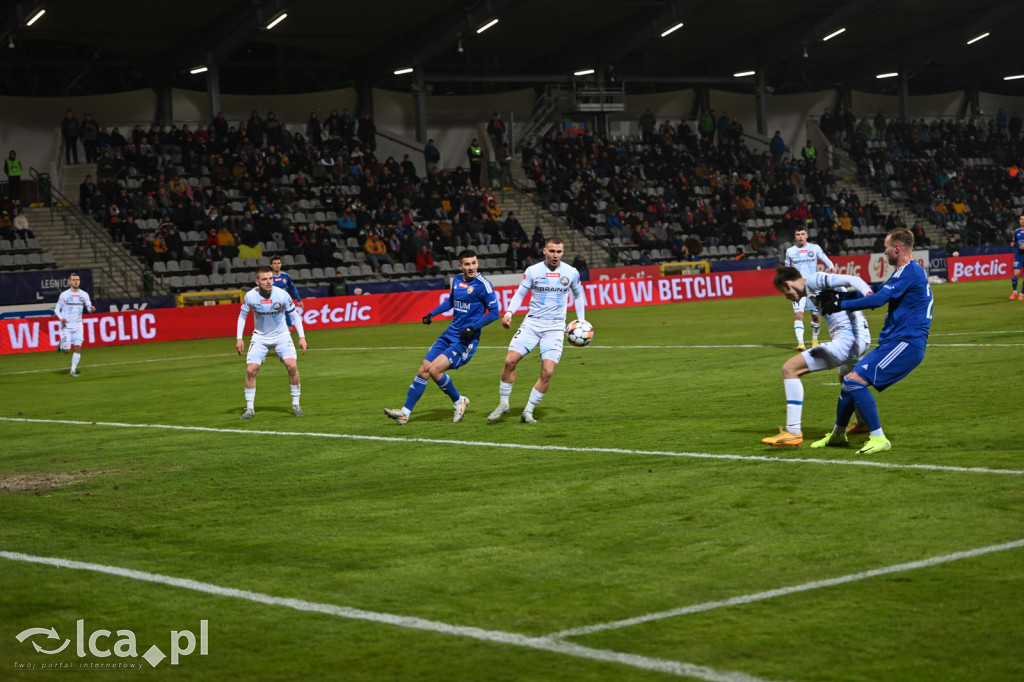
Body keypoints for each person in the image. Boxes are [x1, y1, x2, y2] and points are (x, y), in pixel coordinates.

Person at [813, 227, 933, 454]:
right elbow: (875, 291)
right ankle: (837, 435)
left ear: (897, 248)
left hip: (906, 343)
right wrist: (842, 295)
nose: (884, 252)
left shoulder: (910, 272)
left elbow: (877, 300)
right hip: (895, 342)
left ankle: (878, 438)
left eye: (886, 247)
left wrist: (840, 305)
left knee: (855, 382)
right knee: (849, 381)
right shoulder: (904, 273)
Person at [384, 250, 500, 425]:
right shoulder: (457, 280)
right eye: (467, 264)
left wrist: (472, 327)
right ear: (460, 266)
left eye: (474, 263)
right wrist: (432, 313)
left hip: (465, 339)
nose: (471, 267)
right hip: (449, 334)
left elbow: (494, 313)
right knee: (424, 368)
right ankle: (404, 413)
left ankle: (458, 400)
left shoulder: (484, 285)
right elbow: (451, 302)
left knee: (435, 370)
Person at [762, 265, 873, 447]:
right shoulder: (812, 291)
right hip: (860, 340)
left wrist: (869, 295)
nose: (786, 296)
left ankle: (793, 431)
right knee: (846, 376)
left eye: (783, 291)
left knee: (790, 369)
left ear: (788, 284)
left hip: (848, 342)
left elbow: (852, 280)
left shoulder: (814, 280)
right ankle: (863, 423)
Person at [488, 237, 586, 423]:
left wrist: (581, 322)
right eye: (552, 251)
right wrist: (509, 312)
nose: (555, 255)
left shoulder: (571, 272)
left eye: (559, 252)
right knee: (510, 361)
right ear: (544, 251)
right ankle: (503, 403)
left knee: (547, 372)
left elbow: (578, 295)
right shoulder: (533, 271)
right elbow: (520, 293)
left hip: (555, 328)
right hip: (532, 324)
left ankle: (528, 411)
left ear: (562, 253)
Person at [236, 266, 307, 419]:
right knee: (250, 370)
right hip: (260, 338)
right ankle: (249, 409)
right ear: (257, 281)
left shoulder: (282, 295)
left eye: (270, 279)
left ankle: (296, 404)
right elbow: (242, 316)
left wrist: (302, 337)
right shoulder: (250, 296)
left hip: (282, 336)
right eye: (264, 279)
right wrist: (239, 338)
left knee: (292, 365)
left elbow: (294, 316)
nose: (269, 282)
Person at [784, 227, 836, 350]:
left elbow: (824, 258)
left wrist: (831, 267)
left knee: (815, 316)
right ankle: (801, 343)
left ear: (807, 235)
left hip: (813, 286)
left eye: (802, 234)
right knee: (798, 315)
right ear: (795, 237)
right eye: (798, 234)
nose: (800, 236)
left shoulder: (815, 248)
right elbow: (787, 270)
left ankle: (814, 340)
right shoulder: (790, 251)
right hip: (798, 288)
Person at [54, 273, 95, 377]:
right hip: (66, 326)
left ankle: (72, 371)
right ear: (69, 282)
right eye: (74, 280)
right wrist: (61, 318)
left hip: (78, 325)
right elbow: (57, 309)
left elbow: (89, 308)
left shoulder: (84, 294)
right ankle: (62, 344)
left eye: (77, 279)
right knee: (66, 351)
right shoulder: (64, 295)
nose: (76, 281)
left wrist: (91, 309)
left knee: (78, 347)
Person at [270, 255, 303, 325]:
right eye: (275, 263)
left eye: (278, 263)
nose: (277, 265)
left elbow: (292, 287)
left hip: (284, 303)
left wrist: (299, 300)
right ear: (271, 265)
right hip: (272, 305)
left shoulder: (285, 276)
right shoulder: (268, 277)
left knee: (289, 326)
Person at [1009, 214, 1024, 299]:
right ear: (1019, 221)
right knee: (1016, 273)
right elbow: (1014, 242)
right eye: (1021, 219)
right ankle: (1014, 292)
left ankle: (1022, 294)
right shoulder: (1016, 231)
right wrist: (1013, 244)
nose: (1022, 221)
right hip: (1018, 255)